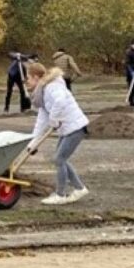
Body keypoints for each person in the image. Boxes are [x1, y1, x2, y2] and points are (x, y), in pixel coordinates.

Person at [25, 60, 90, 205]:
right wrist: (33, 143)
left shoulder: (52, 86)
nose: (27, 82)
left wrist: (54, 118)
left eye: (28, 78)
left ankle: (60, 194)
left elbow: (60, 101)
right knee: (61, 159)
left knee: (59, 159)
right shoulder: (42, 93)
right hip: (66, 129)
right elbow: (41, 121)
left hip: (76, 127)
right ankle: (79, 188)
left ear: (36, 77)